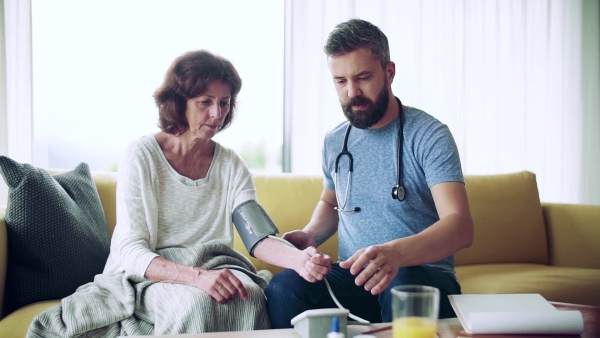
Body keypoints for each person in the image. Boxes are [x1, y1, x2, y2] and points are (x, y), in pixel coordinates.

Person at [27, 50, 331, 337]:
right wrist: (197, 277)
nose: (216, 114)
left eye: (224, 103)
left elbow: (258, 237)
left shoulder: (231, 165)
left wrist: (299, 260)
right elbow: (131, 249)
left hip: (214, 265)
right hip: (150, 276)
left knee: (248, 296)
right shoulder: (142, 155)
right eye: (205, 102)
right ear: (178, 102)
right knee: (198, 303)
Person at [265, 19, 474, 328]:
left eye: (363, 77)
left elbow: (460, 227)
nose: (352, 92)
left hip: (419, 276)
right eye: (341, 81)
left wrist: (395, 254)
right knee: (283, 287)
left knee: (402, 278)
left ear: (389, 72)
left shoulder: (429, 135)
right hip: (356, 278)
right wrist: (311, 234)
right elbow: (331, 204)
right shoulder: (336, 141)